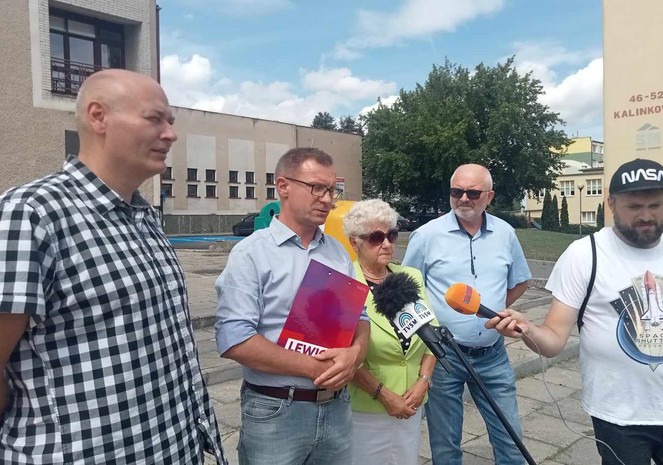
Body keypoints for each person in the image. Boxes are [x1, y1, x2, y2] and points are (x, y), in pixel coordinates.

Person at [0, 69, 226, 463]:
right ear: (98, 117)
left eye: (171, 122)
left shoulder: (145, 218)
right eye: (154, 119)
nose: (170, 134)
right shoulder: (30, 214)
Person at [487, 158, 663, 465]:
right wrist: (527, 330)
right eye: (634, 206)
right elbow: (554, 339)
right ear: (611, 203)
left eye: (656, 205)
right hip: (618, 418)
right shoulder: (585, 254)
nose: (646, 215)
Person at [215, 147, 370, 465]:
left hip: (336, 409)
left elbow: (361, 318)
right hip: (276, 412)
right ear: (283, 186)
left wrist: (355, 355)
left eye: (332, 190)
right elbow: (235, 339)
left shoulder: (338, 253)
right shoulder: (251, 254)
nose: (327, 199)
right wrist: (314, 368)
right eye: (317, 188)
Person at [402, 163, 531, 465]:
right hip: (443, 356)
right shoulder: (426, 236)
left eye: (473, 193)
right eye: (456, 191)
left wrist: (493, 311)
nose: (463, 199)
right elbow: (407, 290)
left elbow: (521, 280)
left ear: (489, 196)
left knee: (511, 441)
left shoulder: (505, 233)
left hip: (492, 355)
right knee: (446, 447)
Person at [342, 199, 437, 465]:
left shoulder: (411, 277)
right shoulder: (344, 282)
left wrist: (424, 381)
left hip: (412, 402)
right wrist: (383, 395)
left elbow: (432, 335)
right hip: (366, 407)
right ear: (354, 242)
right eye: (376, 237)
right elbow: (345, 354)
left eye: (392, 235)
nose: (386, 244)